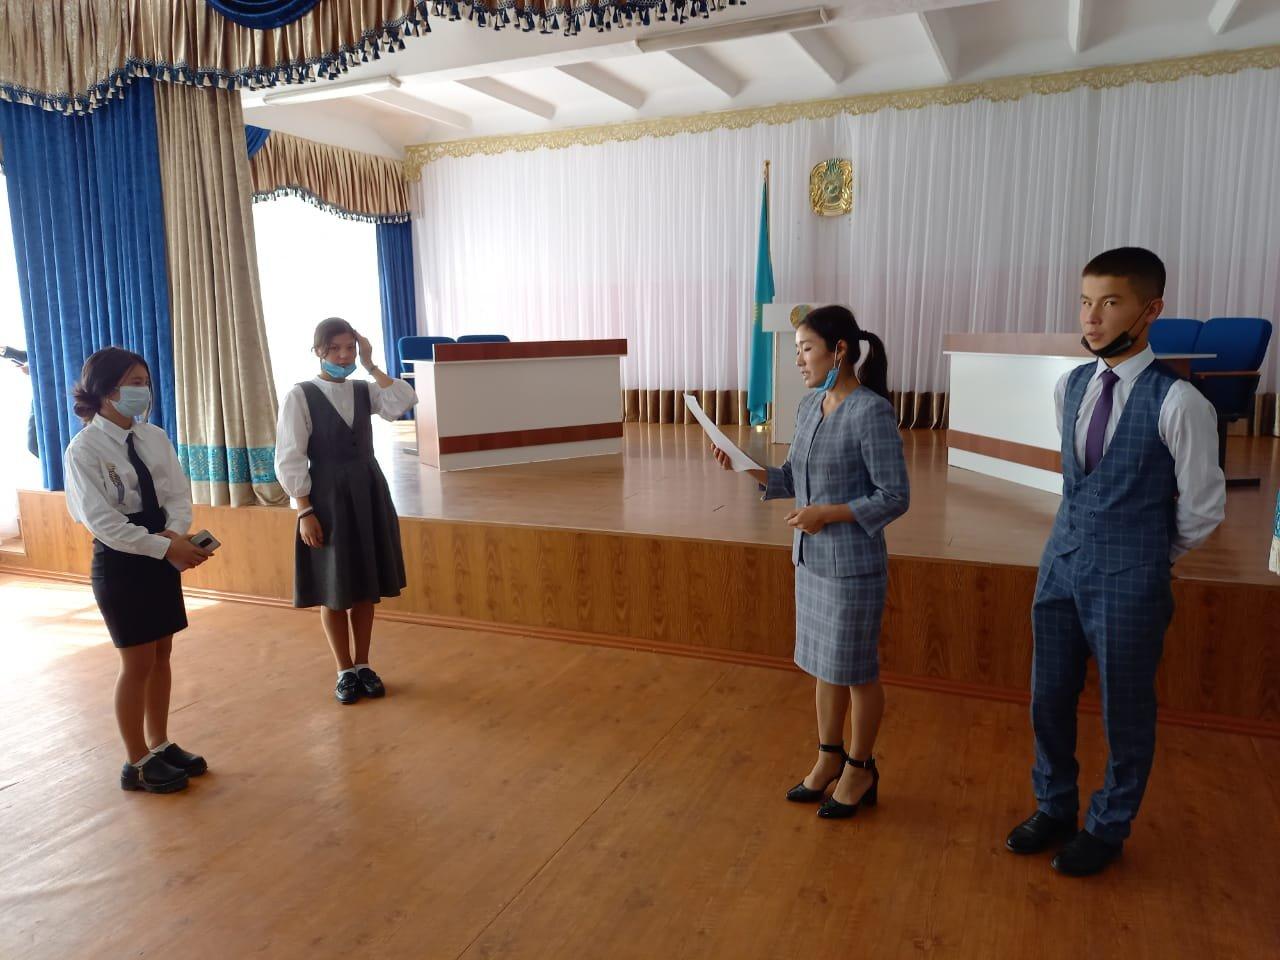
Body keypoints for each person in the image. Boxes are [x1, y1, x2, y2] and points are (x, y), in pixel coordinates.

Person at [1005, 247, 1225, 876]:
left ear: (1150, 310)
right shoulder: (1071, 384)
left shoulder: (1180, 402)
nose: (1092, 317)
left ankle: (1108, 825)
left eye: (1110, 302)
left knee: (1125, 708)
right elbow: (1078, 479)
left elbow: (1204, 508)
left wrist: (1149, 555)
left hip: (1131, 578)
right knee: (1048, 697)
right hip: (1060, 563)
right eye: (1085, 301)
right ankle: (1055, 806)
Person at [711, 304, 909, 819]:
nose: (798, 359)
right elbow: (792, 478)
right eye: (798, 349)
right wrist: (746, 467)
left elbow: (894, 496)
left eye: (806, 349)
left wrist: (829, 514)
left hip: (852, 564)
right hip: (811, 559)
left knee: (856, 670)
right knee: (826, 664)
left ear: (838, 350)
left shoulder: (870, 412)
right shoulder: (807, 407)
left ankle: (860, 768)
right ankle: (828, 759)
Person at [64, 346, 213, 794]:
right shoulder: (84, 449)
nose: (143, 391)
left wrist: (175, 534)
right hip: (122, 562)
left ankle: (159, 743)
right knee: (137, 662)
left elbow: (177, 494)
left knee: (162, 654)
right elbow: (104, 523)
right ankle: (136, 762)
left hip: (161, 549)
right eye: (134, 383)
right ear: (107, 390)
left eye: (144, 382)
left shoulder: (154, 436)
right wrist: (163, 547)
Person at [274, 318, 417, 704]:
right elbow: (289, 456)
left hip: (368, 490)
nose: (343, 356)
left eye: (349, 348)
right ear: (318, 351)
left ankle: (364, 663)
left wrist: (370, 364)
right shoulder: (301, 395)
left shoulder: (362, 389)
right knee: (334, 586)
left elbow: (402, 402)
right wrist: (304, 511)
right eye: (335, 349)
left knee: (366, 586)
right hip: (327, 496)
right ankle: (344, 670)